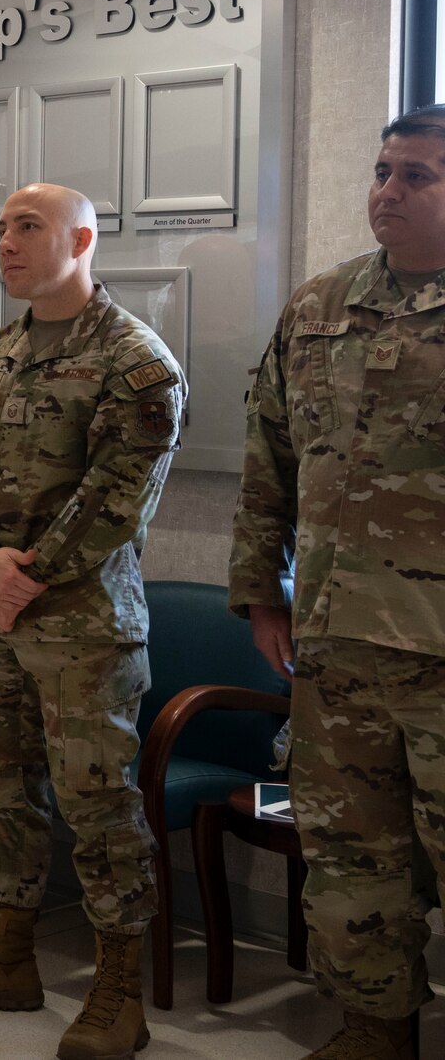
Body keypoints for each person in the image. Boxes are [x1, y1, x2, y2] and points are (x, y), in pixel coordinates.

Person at [0, 183, 185, 1060]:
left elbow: (117, 502)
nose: (8, 244)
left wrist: (27, 578)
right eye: (2, 229)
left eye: (28, 228)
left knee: (98, 806)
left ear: (82, 237)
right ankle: (7, 954)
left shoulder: (136, 361)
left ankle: (118, 987)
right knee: (1, 792)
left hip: (83, 627)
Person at [230, 106, 445, 1060]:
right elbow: (269, 456)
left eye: (416, 177)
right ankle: (374, 1025)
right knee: (353, 856)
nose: (386, 192)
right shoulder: (320, 307)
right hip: (334, 641)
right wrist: (262, 592)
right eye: (382, 170)